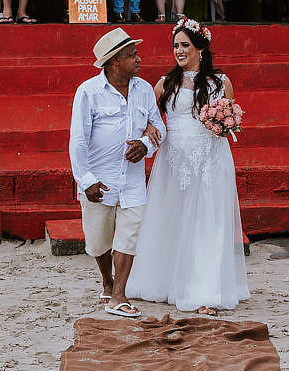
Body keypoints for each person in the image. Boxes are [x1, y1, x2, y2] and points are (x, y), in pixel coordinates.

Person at [126, 18, 248, 316]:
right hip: (174, 160)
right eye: (175, 46)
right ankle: (168, 281)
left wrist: (223, 124)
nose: (179, 51)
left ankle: (204, 290)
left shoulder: (220, 83)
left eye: (185, 45)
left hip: (210, 158)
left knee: (208, 222)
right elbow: (146, 116)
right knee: (174, 219)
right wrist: (149, 131)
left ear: (200, 48)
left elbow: (229, 117)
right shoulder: (165, 84)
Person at [69, 28, 165, 319]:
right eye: (131, 55)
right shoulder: (88, 92)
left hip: (133, 180)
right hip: (100, 182)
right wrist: (85, 181)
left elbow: (159, 127)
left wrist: (146, 145)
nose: (138, 59)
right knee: (98, 241)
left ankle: (119, 295)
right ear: (114, 62)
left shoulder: (145, 89)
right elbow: (78, 140)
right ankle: (108, 281)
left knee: (129, 236)